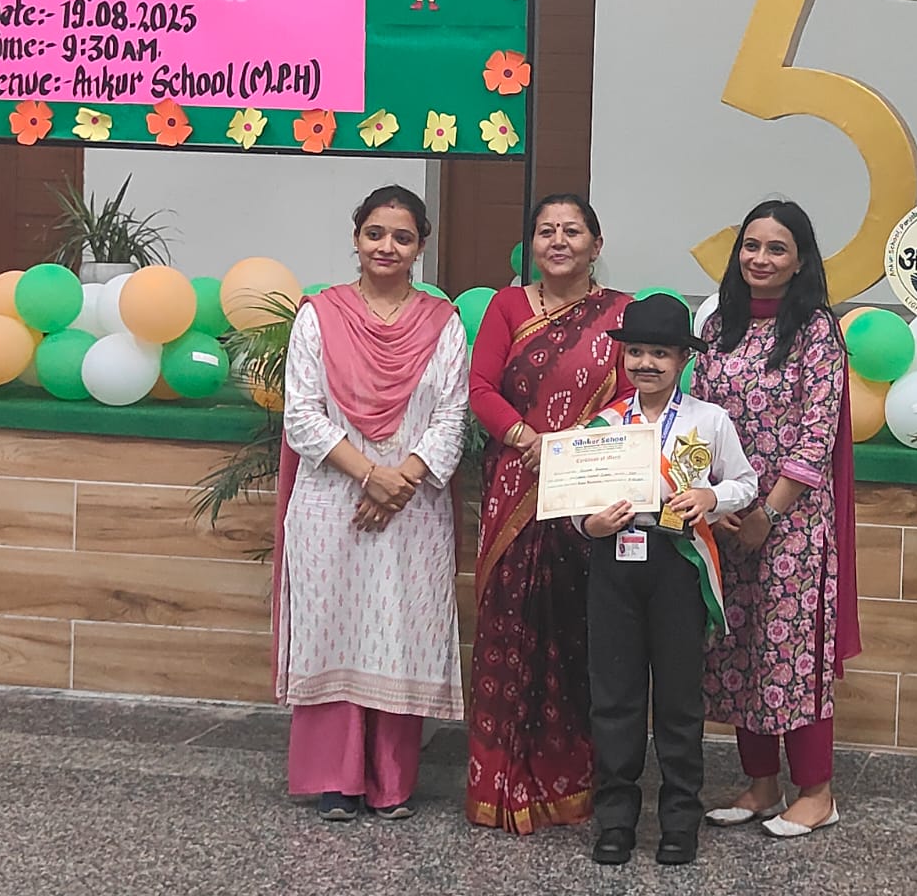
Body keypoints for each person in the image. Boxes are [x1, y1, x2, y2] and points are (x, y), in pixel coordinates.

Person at [275, 185, 469, 822]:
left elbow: (452, 415)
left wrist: (400, 480)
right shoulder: (318, 316)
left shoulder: (443, 323)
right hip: (333, 498)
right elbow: (301, 414)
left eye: (402, 237)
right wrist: (369, 476)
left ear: (421, 247)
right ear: (356, 237)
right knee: (333, 625)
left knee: (401, 632)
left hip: (414, 508)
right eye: (375, 233)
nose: (387, 246)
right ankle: (337, 780)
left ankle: (390, 782)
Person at [691, 198, 861, 838]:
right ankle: (761, 785)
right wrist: (715, 503)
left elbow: (818, 432)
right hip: (726, 515)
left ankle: (816, 792)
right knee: (736, 648)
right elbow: (697, 419)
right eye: (751, 246)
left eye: (776, 248)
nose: (760, 259)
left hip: (793, 523)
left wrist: (768, 510)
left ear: (799, 261)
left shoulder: (817, 330)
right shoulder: (719, 326)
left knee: (790, 654)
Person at [466, 194, 632, 834]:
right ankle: (501, 784)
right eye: (546, 231)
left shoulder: (621, 313)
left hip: (588, 489)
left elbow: (630, 396)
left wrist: (573, 447)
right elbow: (481, 387)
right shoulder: (507, 306)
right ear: (531, 245)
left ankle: (574, 782)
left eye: (572, 231)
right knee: (509, 629)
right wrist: (526, 439)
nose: (558, 241)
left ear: (596, 243)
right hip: (516, 483)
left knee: (576, 633)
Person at [576, 294, 758, 868]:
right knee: (615, 697)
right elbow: (578, 500)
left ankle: (680, 821)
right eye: (636, 352)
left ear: (684, 359)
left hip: (679, 563)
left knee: (679, 700)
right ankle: (615, 820)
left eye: (660, 353)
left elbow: (746, 483)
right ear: (623, 357)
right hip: (615, 565)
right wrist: (589, 524)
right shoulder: (604, 425)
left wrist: (711, 496)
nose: (646, 363)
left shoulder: (710, 420)